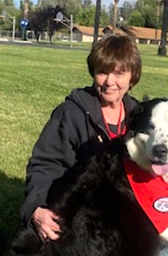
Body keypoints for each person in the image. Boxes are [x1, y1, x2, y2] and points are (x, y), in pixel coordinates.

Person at [20, 35, 142, 241]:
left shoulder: (139, 118)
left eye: (119, 73)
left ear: (132, 77)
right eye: (102, 72)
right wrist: (36, 208)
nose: (109, 82)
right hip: (77, 209)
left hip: (120, 212)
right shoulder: (71, 113)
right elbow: (45, 164)